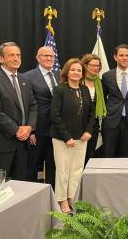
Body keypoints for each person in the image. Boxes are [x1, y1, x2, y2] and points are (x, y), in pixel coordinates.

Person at [0, 42, 37, 181]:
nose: (17, 58)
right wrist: (17, 130)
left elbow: (33, 106)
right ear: (1, 58)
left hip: (23, 144)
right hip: (1, 143)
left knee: (21, 184)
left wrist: (29, 127)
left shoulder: (25, 79)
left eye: (18, 55)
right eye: (12, 55)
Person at [51, 58, 95, 213]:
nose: (76, 73)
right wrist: (67, 137)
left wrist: (89, 131)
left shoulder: (84, 90)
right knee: (63, 171)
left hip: (82, 138)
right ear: (66, 72)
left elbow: (92, 113)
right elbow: (54, 116)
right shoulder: (59, 90)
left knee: (77, 170)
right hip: (62, 139)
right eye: (73, 70)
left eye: (79, 70)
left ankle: (72, 199)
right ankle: (62, 200)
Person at [24, 46, 58, 185]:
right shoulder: (27, 76)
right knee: (32, 164)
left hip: (56, 129)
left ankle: (51, 194)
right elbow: (26, 106)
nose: (49, 58)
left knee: (53, 164)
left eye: (51, 56)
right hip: (37, 129)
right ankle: (28, 193)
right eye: (45, 56)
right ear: (38, 58)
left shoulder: (59, 74)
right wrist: (30, 130)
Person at [101, 44, 128, 158]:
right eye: (121, 55)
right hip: (110, 121)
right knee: (108, 153)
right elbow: (102, 99)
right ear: (115, 57)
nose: (124, 58)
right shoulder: (107, 76)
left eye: (127, 55)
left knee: (126, 155)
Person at [81, 54, 106, 165]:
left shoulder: (100, 83)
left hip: (94, 124)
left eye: (98, 66)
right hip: (78, 124)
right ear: (85, 66)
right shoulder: (78, 81)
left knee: (90, 157)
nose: (96, 68)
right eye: (93, 65)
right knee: (79, 158)